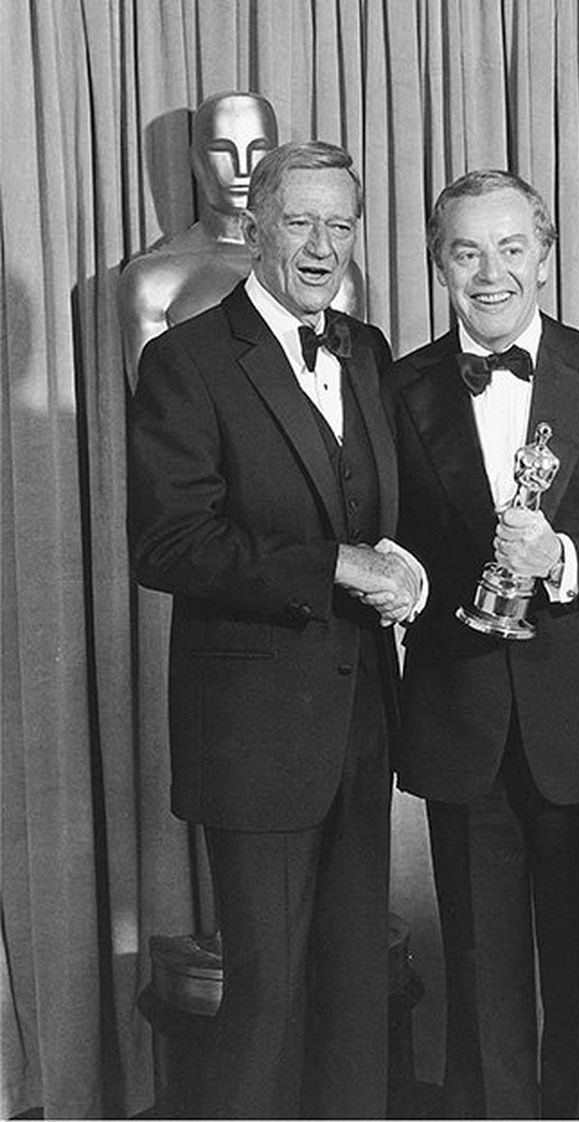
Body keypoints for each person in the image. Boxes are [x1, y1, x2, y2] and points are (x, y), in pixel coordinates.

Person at [381, 170, 579, 1119]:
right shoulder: (397, 389)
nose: (491, 273)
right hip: (461, 717)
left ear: (546, 257)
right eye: (467, 252)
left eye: (512, 248)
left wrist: (562, 556)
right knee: (481, 982)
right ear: (438, 264)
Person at [127, 140, 422, 1119]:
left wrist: (402, 557)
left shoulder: (367, 350)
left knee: (354, 988)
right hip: (251, 730)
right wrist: (330, 564)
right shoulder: (185, 362)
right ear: (255, 224)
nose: (321, 244)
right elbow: (169, 545)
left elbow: (384, 504)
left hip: (358, 721)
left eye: (340, 224)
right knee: (268, 996)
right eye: (300, 221)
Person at [118, 91, 363, 387]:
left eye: (258, 149)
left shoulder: (333, 271)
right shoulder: (154, 278)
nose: (243, 167)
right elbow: (157, 408)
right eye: (223, 150)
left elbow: (348, 393)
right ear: (196, 159)